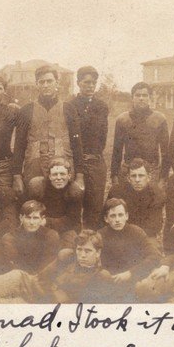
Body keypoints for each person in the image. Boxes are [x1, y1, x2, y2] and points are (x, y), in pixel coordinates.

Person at [0, 229, 114, 304]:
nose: (82, 255)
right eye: (80, 249)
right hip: (28, 283)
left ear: (98, 253)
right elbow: (41, 277)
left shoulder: (100, 276)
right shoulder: (67, 257)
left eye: (88, 251)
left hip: (40, 304)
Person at [12, 64, 84, 191]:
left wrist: (79, 176)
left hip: (62, 167)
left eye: (49, 81)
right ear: (36, 84)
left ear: (57, 82)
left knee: (69, 198)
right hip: (34, 167)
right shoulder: (26, 110)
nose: (45, 85)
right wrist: (17, 176)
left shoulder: (69, 109)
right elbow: (19, 145)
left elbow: (76, 144)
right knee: (35, 199)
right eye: (42, 82)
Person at [66, 66, 109, 228]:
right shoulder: (70, 106)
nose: (90, 86)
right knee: (74, 202)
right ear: (78, 83)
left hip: (96, 161)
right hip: (76, 161)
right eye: (86, 82)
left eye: (94, 83)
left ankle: (93, 241)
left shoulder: (102, 106)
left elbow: (103, 137)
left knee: (96, 205)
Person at [97, 198, 163, 300]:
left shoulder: (136, 232)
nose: (117, 219)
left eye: (120, 215)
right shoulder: (100, 235)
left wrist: (131, 273)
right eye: (113, 216)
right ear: (106, 219)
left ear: (126, 216)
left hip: (134, 279)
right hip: (111, 281)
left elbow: (155, 256)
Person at [110, 82, 170, 184]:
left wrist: (163, 177)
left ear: (150, 97)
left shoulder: (159, 119)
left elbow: (166, 152)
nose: (141, 98)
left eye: (144, 95)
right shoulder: (123, 119)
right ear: (132, 98)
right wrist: (114, 175)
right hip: (129, 169)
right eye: (137, 95)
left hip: (152, 170)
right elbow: (117, 151)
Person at [25, 158, 84, 240]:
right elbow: (29, 210)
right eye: (55, 174)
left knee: (68, 243)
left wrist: (47, 222)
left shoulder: (74, 191)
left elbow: (72, 221)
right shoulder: (38, 187)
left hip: (65, 228)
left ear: (69, 176)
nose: (59, 178)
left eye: (62, 174)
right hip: (40, 225)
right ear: (49, 176)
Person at [106, 158, 165, 237]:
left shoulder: (157, 194)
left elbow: (154, 226)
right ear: (128, 178)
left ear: (149, 177)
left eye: (141, 176)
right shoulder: (116, 191)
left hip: (144, 236)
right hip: (119, 234)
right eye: (133, 176)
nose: (137, 180)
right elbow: (105, 218)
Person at [0, 200, 61, 274]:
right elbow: (13, 266)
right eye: (28, 218)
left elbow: (48, 264)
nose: (31, 222)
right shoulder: (10, 237)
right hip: (20, 278)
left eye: (35, 218)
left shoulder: (51, 235)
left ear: (42, 219)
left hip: (42, 278)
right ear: (21, 218)